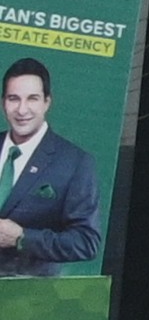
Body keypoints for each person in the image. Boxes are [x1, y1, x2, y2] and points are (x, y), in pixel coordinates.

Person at [0, 61, 101, 279]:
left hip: (28, 301)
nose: (22, 109)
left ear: (47, 102)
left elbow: (86, 242)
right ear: (3, 103)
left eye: (32, 99)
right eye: (13, 99)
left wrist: (22, 238)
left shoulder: (74, 163)